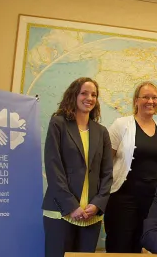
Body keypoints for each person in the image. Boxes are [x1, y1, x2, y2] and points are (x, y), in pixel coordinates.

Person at [42, 77, 113, 257]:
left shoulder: (101, 131)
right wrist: (71, 206)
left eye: (94, 94)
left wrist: (97, 204)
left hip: (91, 215)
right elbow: (53, 167)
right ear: (74, 95)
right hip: (61, 211)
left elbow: (107, 174)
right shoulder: (58, 123)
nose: (89, 98)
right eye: (84, 93)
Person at [104, 81, 157, 253]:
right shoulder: (121, 124)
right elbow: (106, 162)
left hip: (151, 201)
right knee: (120, 246)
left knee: (140, 246)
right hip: (123, 199)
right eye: (146, 97)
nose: (150, 101)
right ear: (136, 100)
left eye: (154, 97)